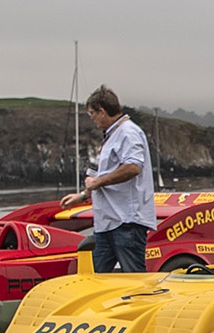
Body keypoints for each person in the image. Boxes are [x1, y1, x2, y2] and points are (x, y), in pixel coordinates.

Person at [62, 86, 155, 272]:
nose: (92, 119)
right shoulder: (111, 135)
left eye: (92, 114)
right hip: (107, 223)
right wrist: (83, 195)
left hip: (126, 222)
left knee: (134, 278)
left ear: (102, 112)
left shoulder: (128, 133)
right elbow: (102, 172)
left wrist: (97, 182)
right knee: (93, 277)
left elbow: (133, 167)